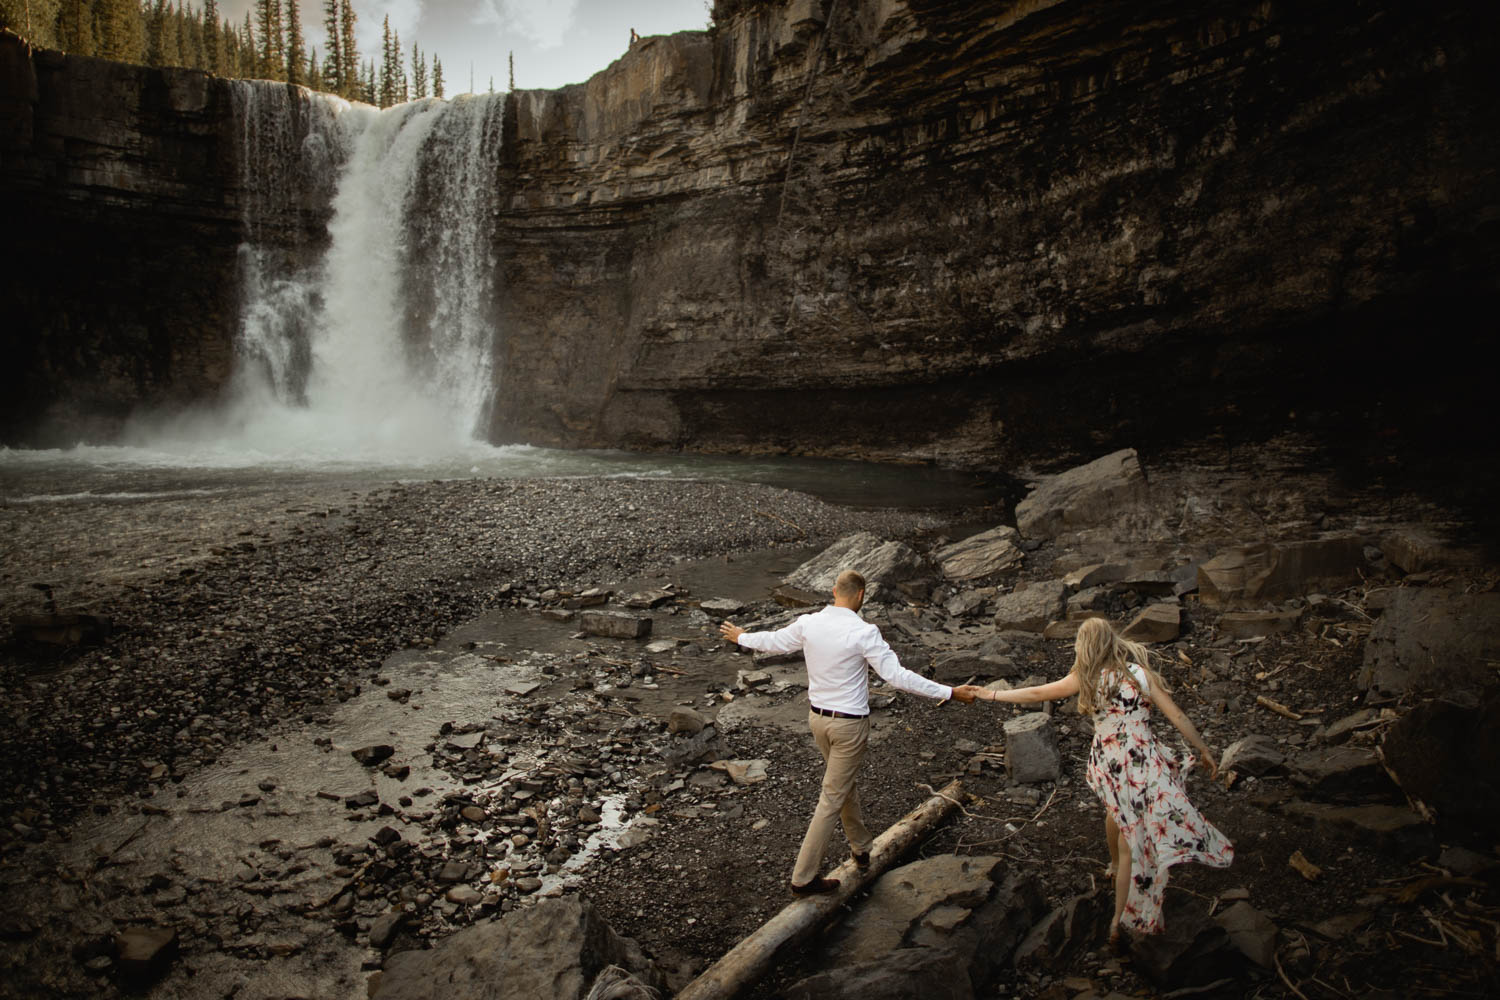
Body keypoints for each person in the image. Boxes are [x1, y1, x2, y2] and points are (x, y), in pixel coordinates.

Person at [957, 617, 1232, 946]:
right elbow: (1177, 716)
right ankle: (1116, 867)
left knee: (1126, 836)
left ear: (1085, 645)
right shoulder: (1140, 675)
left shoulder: (1086, 677)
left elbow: (1035, 692)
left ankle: (1118, 919)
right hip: (1143, 761)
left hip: (1112, 764)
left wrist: (991, 695)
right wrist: (1203, 748)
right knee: (1123, 820)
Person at [719, 570, 975, 896]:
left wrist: (742, 636)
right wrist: (950, 691)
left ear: (833, 591)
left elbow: (773, 642)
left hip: (818, 722)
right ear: (861, 595)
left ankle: (860, 847)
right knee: (832, 795)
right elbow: (897, 677)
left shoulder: (810, 622)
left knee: (842, 784)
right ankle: (804, 878)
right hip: (849, 726)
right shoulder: (864, 631)